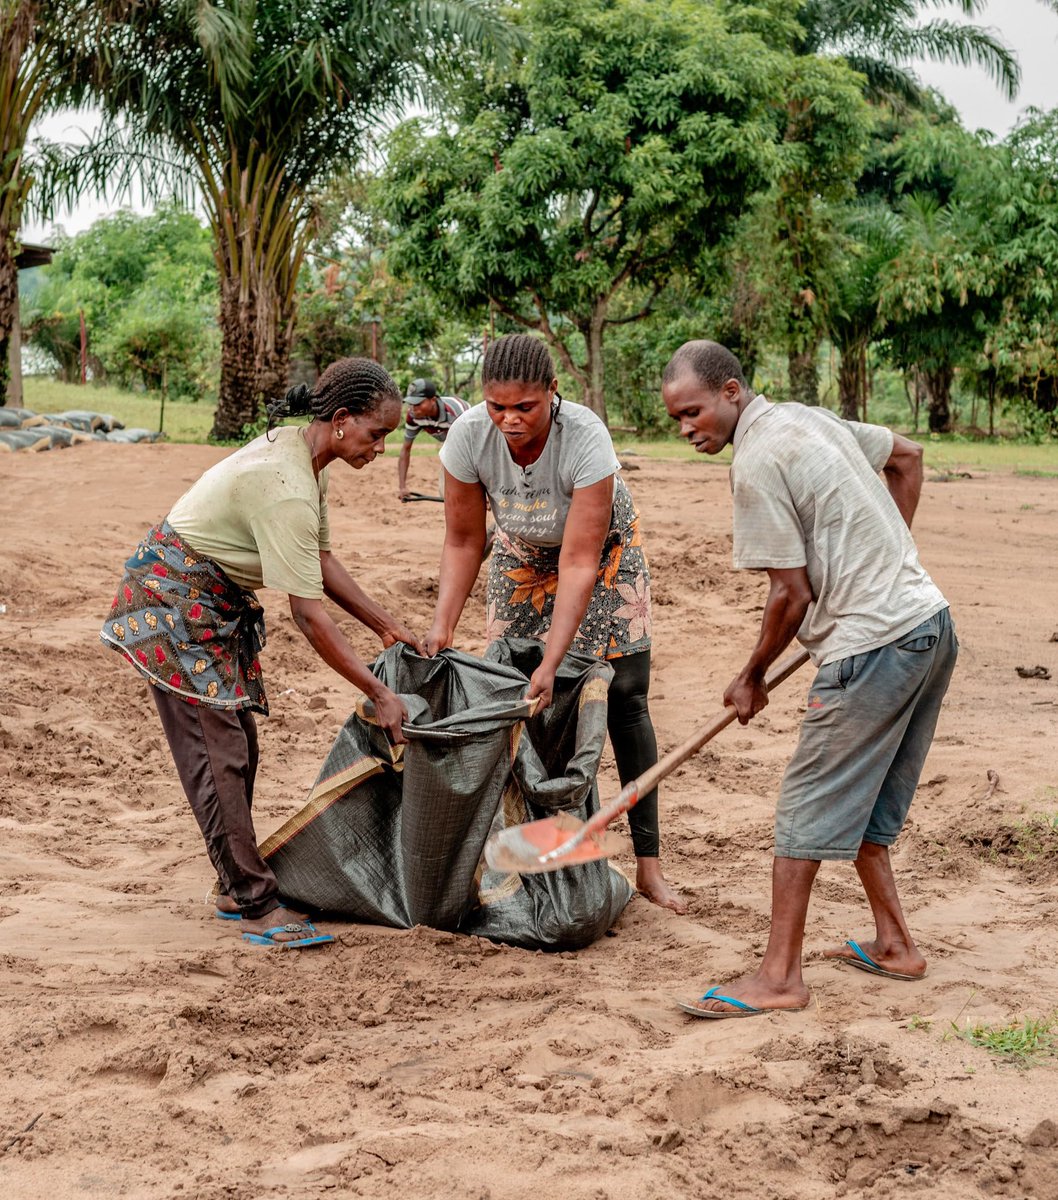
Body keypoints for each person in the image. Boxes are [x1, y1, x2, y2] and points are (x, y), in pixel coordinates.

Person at [661, 340, 957, 1017]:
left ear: (732, 392)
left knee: (805, 807)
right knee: (868, 806)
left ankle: (779, 978)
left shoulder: (757, 462)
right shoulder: (810, 417)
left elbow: (789, 596)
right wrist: (885, 556)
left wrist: (751, 676)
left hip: (873, 646)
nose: (687, 430)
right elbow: (906, 456)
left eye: (694, 412)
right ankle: (895, 945)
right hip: (928, 625)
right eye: (677, 419)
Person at [100, 358, 423, 949]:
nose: (382, 448)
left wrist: (386, 626)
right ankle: (254, 904)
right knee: (218, 754)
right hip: (172, 606)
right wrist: (378, 693)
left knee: (237, 746)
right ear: (343, 420)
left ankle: (236, 883)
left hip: (210, 604)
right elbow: (307, 613)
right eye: (378, 434)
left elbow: (318, 562)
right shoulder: (289, 489)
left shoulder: (307, 459)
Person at [425, 332, 686, 913]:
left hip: (604, 554)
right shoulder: (468, 438)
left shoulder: (586, 437)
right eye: (497, 406)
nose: (510, 420)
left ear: (553, 394)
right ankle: (541, 854)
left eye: (525, 407)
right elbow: (465, 540)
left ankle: (649, 866)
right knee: (521, 699)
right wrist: (443, 625)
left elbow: (579, 561)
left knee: (624, 697)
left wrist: (552, 659)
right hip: (521, 552)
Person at [397, 377, 470, 500]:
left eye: (418, 403)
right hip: (449, 445)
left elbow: (472, 449)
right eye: (411, 404)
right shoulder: (414, 416)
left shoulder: (455, 413)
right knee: (445, 493)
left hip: (470, 442)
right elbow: (406, 449)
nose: (413, 408)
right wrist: (402, 487)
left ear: (433, 400)